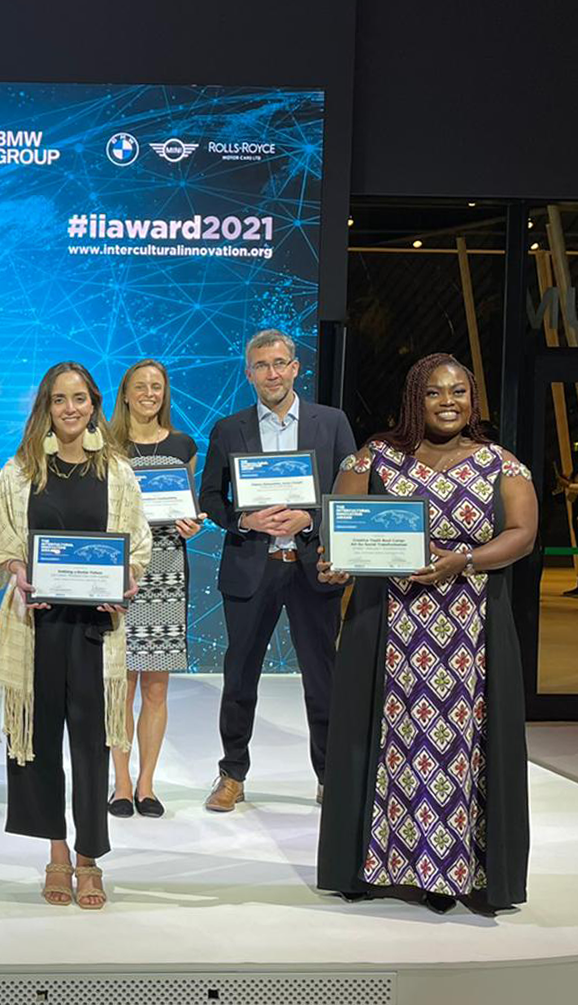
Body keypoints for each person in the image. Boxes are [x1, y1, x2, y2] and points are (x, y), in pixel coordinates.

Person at [316, 354, 535, 913]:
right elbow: (339, 535)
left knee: (461, 749)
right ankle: (379, 866)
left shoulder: (501, 464)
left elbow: (523, 534)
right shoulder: (373, 459)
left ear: (472, 399)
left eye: (459, 391)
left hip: (470, 635)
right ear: (415, 398)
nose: (448, 402)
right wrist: (336, 564)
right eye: (435, 392)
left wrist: (465, 560)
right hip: (387, 631)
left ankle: (452, 873)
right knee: (389, 744)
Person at [0, 362, 150, 909]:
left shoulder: (117, 471)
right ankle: (56, 854)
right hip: (37, 627)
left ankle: (89, 858)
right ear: (46, 407)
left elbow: (137, 543)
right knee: (39, 743)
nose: (69, 409)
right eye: (59, 399)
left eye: (79, 398)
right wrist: (17, 570)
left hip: (95, 629)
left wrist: (126, 578)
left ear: (94, 404)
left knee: (93, 748)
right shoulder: (20, 471)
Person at [197, 328, 355, 811]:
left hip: (312, 568)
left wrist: (312, 517)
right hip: (253, 566)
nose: (272, 373)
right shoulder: (229, 428)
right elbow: (210, 497)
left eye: (280, 363)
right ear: (249, 373)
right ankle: (232, 774)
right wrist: (244, 519)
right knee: (239, 678)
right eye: (262, 365)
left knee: (322, 679)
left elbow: (351, 493)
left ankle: (329, 777)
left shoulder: (332, 423)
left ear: (295, 368)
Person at [105, 358, 204, 818]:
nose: (149, 393)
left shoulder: (183, 445)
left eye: (157, 387)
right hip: (121, 572)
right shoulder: (106, 444)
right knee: (120, 687)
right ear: (125, 394)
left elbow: (188, 506)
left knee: (157, 688)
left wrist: (192, 526)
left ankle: (147, 784)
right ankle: (121, 783)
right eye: (140, 386)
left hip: (167, 570)